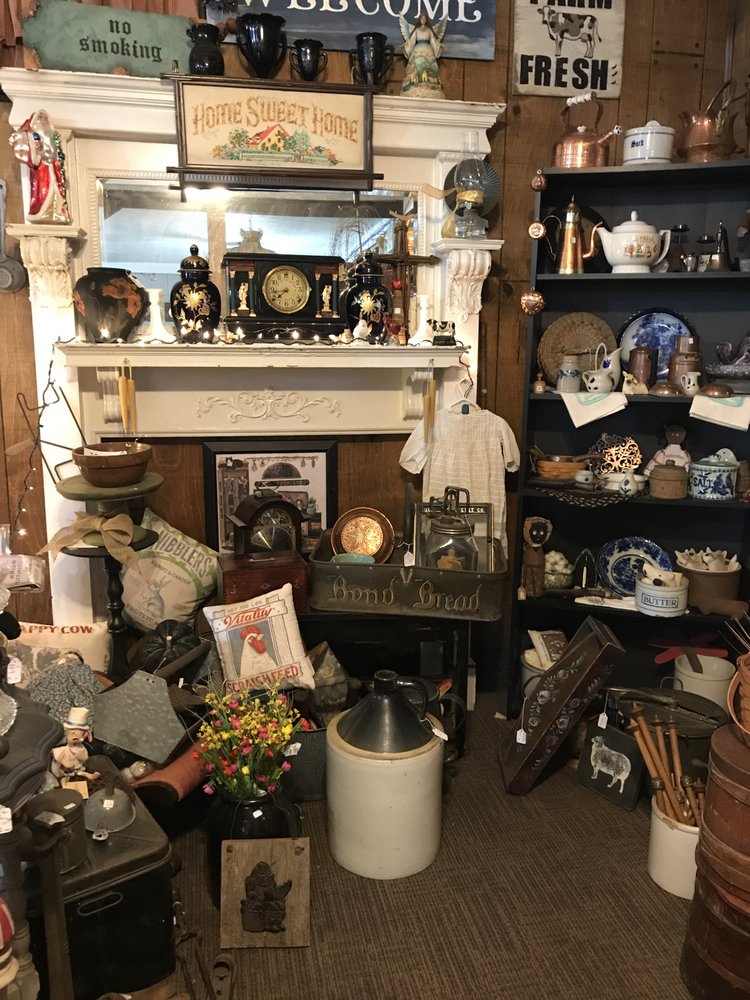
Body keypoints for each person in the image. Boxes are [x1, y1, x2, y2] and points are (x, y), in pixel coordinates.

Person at [399, 13, 448, 99]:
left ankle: (430, 84)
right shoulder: (417, 30)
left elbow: (433, 41)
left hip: (428, 50)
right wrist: (404, 45)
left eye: (424, 19)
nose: (423, 20)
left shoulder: (429, 30)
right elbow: (411, 41)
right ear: (420, 20)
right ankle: (413, 84)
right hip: (417, 50)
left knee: (429, 66)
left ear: (426, 20)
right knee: (416, 66)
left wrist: (440, 45)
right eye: (422, 19)